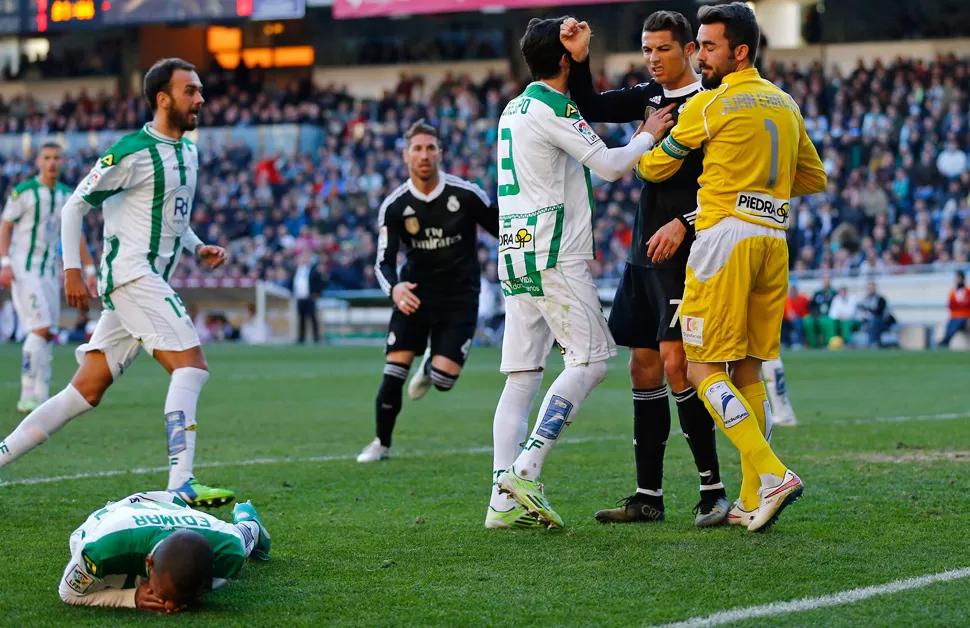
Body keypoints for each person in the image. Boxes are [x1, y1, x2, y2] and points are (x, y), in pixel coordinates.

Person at [0, 58, 234, 508]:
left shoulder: (189, 152)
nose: (201, 98)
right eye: (191, 91)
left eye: (200, 90)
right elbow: (74, 207)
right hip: (132, 275)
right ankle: (180, 484)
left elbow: (172, 218)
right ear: (163, 98)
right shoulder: (131, 152)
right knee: (192, 367)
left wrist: (198, 246)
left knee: (81, 393)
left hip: (142, 282)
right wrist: (72, 270)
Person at [637, 2, 827, 532]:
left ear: (740, 51)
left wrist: (651, 139)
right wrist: (762, 186)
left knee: (700, 368)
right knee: (748, 368)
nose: (700, 57)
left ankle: (772, 473)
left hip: (723, 239)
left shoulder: (709, 103)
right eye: (698, 44)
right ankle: (748, 499)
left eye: (710, 46)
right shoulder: (786, 104)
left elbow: (653, 167)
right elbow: (815, 178)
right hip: (773, 240)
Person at [488, 16, 674, 530]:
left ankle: (501, 504)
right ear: (565, 59)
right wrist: (646, 135)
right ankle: (525, 470)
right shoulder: (552, 107)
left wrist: (576, 51)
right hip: (553, 252)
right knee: (590, 363)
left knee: (522, 378)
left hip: (515, 249)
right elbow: (611, 165)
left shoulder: (513, 107)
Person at [560, 11, 729, 527]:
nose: (653, 59)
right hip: (642, 253)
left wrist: (684, 221)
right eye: (647, 49)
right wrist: (580, 55)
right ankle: (648, 497)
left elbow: (725, 187)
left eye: (663, 49)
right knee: (643, 367)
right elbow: (585, 103)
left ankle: (713, 491)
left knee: (679, 364)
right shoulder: (649, 99)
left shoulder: (712, 104)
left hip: (689, 251)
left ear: (688, 50)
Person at [357, 120, 500, 463]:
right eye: (417, 149)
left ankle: (432, 366)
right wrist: (395, 289)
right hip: (416, 295)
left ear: (440, 154)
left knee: (443, 380)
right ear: (406, 156)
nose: (424, 155)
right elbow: (383, 262)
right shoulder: (394, 206)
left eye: (430, 148)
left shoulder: (466, 194)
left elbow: (501, 231)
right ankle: (381, 443)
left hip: (460, 298)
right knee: (394, 371)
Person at [0, 143, 97, 413]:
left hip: (49, 272)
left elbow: (77, 237)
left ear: (63, 162)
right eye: (47, 158)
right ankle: (27, 393)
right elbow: (5, 226)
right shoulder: (25, 192)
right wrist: (5, 263)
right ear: (38, 162)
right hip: (24, 269)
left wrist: (88, 271)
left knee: (49, 332)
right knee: (40, 328)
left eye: (56, 158)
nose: (52, 163)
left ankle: (41, 395)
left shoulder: (67, 195)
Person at [59, 492, 270, 611]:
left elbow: (242, 538)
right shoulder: (101, 550)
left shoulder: (228, 550)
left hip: (174, 508)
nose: (169, 607)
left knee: (242, 538)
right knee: (104, 575)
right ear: (149, 563)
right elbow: (69, 593)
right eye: (168, 596)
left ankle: (245, 516)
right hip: (125, 512)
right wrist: (131, 598)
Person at [290, 250, 325, 344]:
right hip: (299, 298)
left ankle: (316, 337)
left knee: (313, 318)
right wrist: (293, 293)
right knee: (301, 319)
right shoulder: (296, 270)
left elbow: (320, 283)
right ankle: (301, 338)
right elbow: (293, 283)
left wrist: (316, 293)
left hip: (310, 298)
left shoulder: (313, 270)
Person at [804, 274, 837, 347]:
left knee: (826, 322)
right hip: (816, 315)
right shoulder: (817, 293)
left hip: (828, 315)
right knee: (807, 321)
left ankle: (827, 343)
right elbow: (811, 306)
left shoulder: (834, 293)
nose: (826, 282)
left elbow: (835, 306)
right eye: (824, 280)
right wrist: (815, 314)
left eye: (827, 280)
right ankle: (812, 344)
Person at [939, 270, 970, 347]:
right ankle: (946, 341)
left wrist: (958, 304)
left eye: (960, 278)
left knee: (957, 323)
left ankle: (945, 341)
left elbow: (967, 304)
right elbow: (950, 305)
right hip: (954, 316)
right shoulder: (953, 291)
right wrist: (961, 304)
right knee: (949, 325)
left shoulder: (967, 291)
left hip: (964, 317)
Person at [858, 279, 890, 348]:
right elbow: (861, 311)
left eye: (872, 287)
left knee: (875, 321)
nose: (870, 289)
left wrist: (869, 312)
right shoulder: (865, 299)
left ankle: (873, 343)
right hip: (867, 321)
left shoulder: (881, 299)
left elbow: (879, 313)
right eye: (869, 288)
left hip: (880, 322)